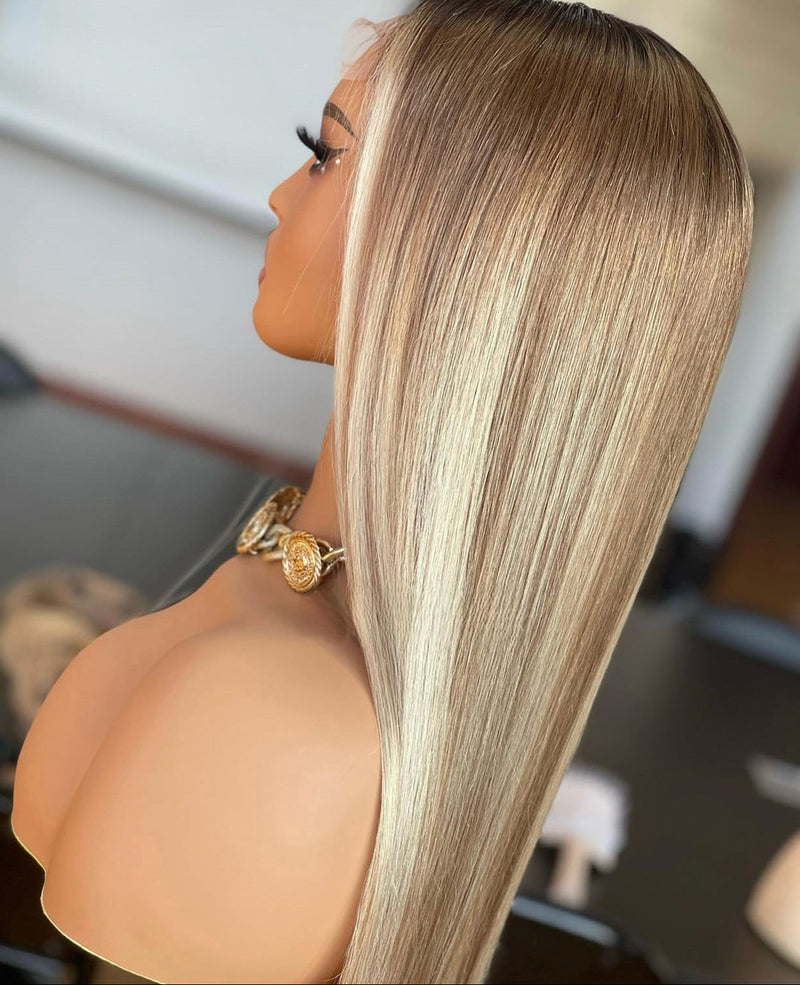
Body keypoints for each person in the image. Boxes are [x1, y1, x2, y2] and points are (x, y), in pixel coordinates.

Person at [11, 3, 754, 983]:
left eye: (321, 156)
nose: (281, 193)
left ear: (461, 252)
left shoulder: (270, 721)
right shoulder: (291, 623)